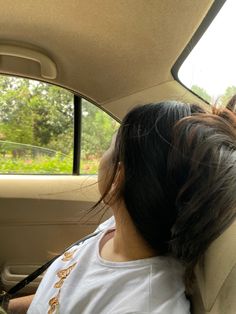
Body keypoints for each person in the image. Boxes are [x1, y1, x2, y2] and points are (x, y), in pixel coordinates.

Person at [9, 101, 236, 314]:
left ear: (119, 176)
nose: (101, 156)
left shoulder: (145, 305)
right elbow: (60, 294)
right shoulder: (116, 228)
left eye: (109, 146)